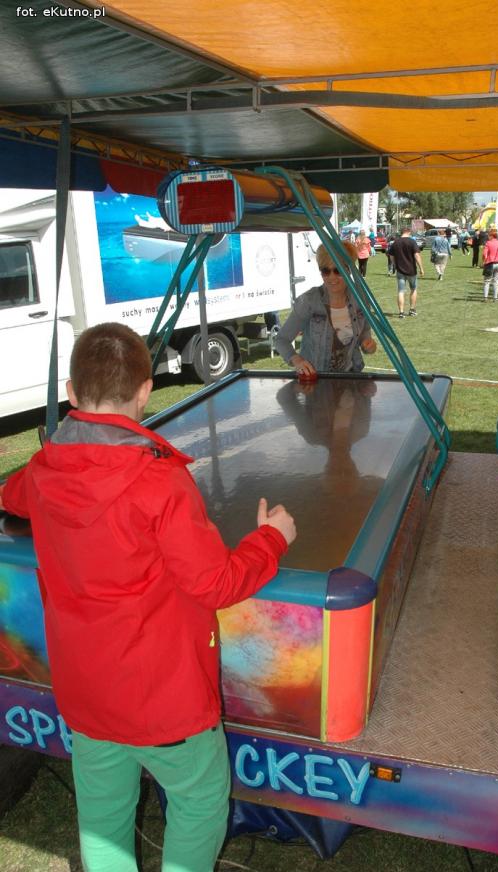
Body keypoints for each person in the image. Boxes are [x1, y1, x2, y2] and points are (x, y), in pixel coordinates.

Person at [0, 323, 296, 872]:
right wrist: (272, 538)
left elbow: (13, 496)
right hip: (166, 703)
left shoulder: (42, 471)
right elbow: (216, 582)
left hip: (88, 698)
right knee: (199, 803)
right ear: (144, 391)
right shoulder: (158, 482)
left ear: (71, 391)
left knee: (103, 819)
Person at [275, 241, 377, 375]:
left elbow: (364, 332)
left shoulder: (361, 298)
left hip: (350, 376)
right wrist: (297, 360)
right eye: (325, 271)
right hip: (316, 379)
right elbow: (281, 340)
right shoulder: (309, 301)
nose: (332, 277)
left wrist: (367, 344)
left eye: (338, 270)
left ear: (349, 270)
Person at [389, 227, 424, 318]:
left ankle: (401, 312)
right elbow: (417, 255)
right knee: (413, 289)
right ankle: (412, 310)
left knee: (401, 291)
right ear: (408, 232)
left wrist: (395, 265)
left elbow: (391, 255)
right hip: (411, 270)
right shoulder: (412, 242)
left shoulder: (396, 242)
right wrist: (421, 268)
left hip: (400, 270)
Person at [481, 229, 498, 302]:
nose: (488, 236)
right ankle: (495, 298)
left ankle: (485, 298)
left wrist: (483, 261)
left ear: (491, 236)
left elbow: (484, 254)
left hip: (490, 264)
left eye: (489, 235)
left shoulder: (488, 243)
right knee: (496, 282)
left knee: (487, 281)